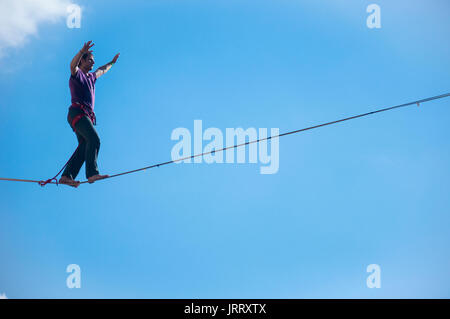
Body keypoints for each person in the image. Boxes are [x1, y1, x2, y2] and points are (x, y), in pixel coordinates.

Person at [59, 41, 120, 187]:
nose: (93, 62)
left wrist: (112, 62)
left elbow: (102, 70)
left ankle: (67, 176)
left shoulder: (91, 78)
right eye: (90, 59)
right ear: (82, 61)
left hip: (84, 116)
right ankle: (92, 173)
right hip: (77, 113)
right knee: (94, 139)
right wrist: (81, 51)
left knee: (85, 145)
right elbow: (72, 66)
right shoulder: (77, 74)